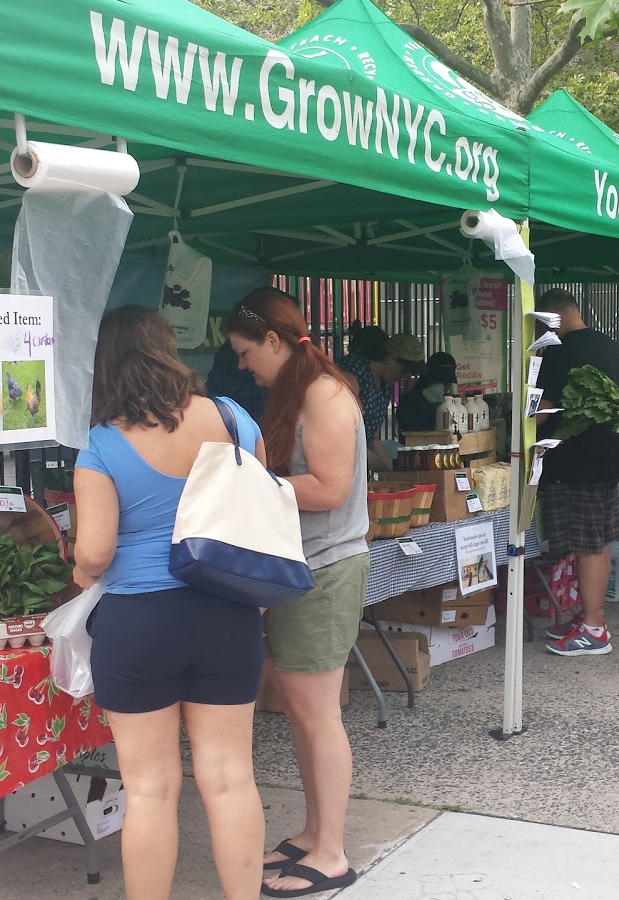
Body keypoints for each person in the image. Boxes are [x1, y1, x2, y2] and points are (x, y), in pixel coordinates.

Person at [70, 306, 267, 900]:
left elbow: (96, 552)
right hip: (227, 611)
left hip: (139, 621)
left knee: (150, 789)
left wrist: (78, 569)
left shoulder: (102, 445)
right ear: (167, 349)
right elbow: (256, 510)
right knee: (231, 778)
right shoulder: (235, 420)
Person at [226, 287, 368, 898]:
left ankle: (331, 852)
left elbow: (331, 489)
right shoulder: (302, 390)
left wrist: (255, 484)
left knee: (319, 715)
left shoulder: (325, 394)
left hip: (327, 569)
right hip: (302, 569)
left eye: (244, 351)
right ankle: (313, 832)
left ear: (275, 341)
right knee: (304, 714)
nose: (241, 365)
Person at [535, 288, 619, 657]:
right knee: (598, 540)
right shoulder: (607, 343)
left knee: (587, 544)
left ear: (554, 315)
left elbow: (542, 410)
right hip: (607, 457)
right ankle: (590, 619)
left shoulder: (559, 352)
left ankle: (593, 628)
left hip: (579, 461)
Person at [336, 327, 424, 471]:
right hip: (341, 458)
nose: (407, 377)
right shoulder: (355, 371)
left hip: (360, 459)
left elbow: (374, 438)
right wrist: (377, 464)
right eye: (405, 370)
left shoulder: (385, 385)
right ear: (391, 359)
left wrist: (392, 474)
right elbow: (343, 437)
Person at [396, 351, 457, 431]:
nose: (443, 387)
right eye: (439, 382)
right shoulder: (409, 402)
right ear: (428, 379)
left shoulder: (453, 405)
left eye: (446, 383)